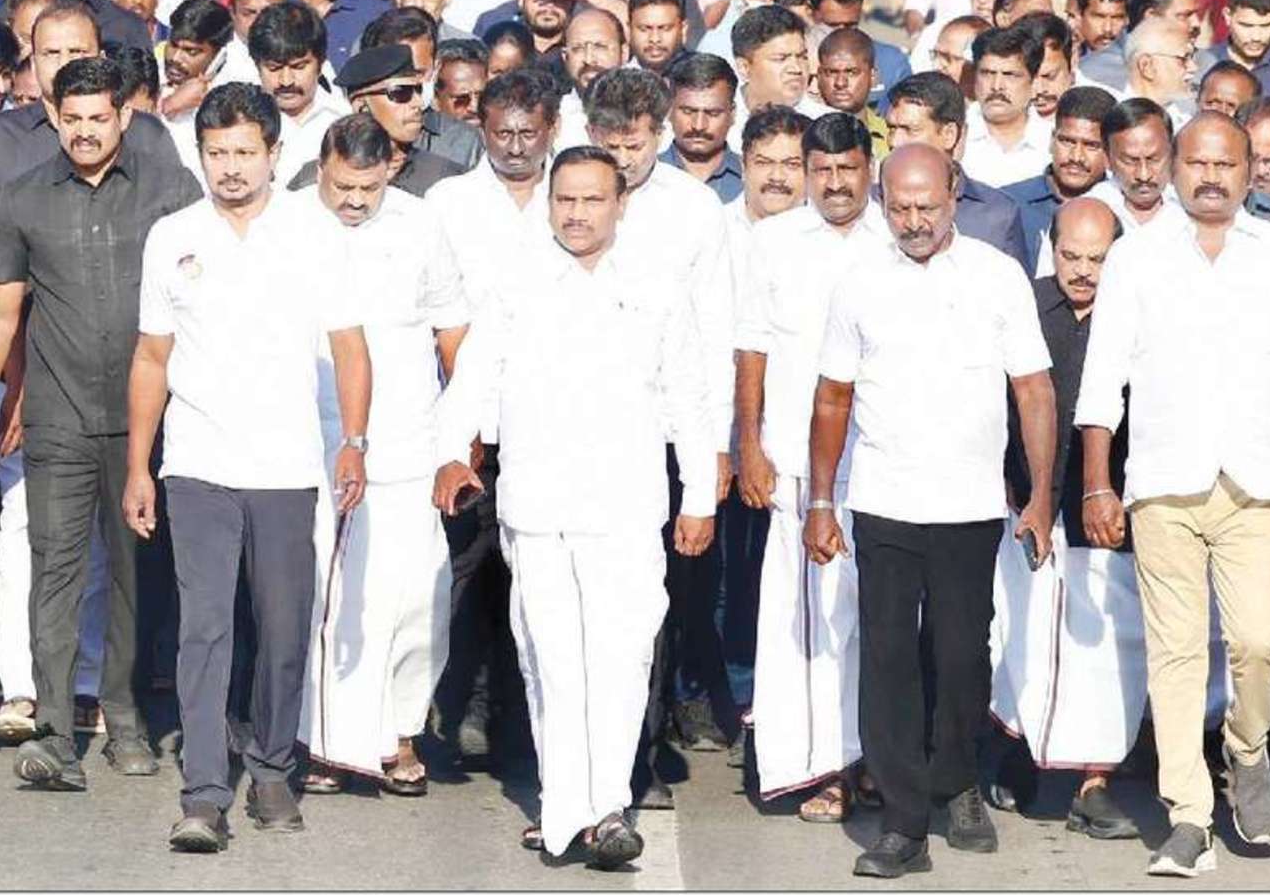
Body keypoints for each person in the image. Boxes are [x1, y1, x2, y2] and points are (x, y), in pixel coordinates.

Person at [432, 147, 727, 871]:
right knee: (553, 662)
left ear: (620, 205)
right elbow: (473, 380)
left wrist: (697, 498)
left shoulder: (656, 285)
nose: (577, 214)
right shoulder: (516, 282)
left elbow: (689, 398)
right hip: (537, 507)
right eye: (565, 200)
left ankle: (607, 807)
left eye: (593, 200)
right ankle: (568, 808)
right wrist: (449, 453)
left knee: (622, 660)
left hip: (627, 506)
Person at [127, 83, 375, 852]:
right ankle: (204, 793)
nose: (230, 167)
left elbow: (350, 346)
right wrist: (139, 465)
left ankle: (271, 766)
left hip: (286, 466)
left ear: (274, 152)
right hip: (197, 462)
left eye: (244, 151)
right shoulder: (172, 235)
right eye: (216, 152)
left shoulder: (314, 231)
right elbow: (152, 356)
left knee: (283, 627)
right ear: (199, 154)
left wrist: (353, 440)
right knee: (203, 628)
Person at [802, 143, 1059, 878]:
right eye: (900, 208)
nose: (914, 222)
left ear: (954, 199)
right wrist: (821, 500)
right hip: (884, 500)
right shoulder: (858, 283)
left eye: (928, 207)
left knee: (960, 656)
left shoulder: (997, 276)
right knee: (886, 659)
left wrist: (1040, 495)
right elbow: (832, 398)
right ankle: (903, 823)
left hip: (970, 506)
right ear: (882, 204)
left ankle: (957, 778)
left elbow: (1034, 390)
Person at [1075, 113, 1270, 876]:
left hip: (1254, 484)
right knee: (1174, 654)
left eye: (1226, 164)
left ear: (1250, 171)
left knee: (1259, 641)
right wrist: (1098, 482)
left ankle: (1246, 748)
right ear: (1174, 169)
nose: (1211, 177)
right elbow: (1103, 378)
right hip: (1162, 484)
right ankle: (1188, 817)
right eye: (1198, 163)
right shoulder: (1136, 257)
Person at [0, 53, 199, 789]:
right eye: (70, 119)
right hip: (58, 416)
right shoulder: (24, 198)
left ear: (124, 115)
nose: (85, 132)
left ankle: (124, 718)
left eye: (99, 117)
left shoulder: (170, 190)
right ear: (53, 116)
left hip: (145, 421)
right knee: (54, 572)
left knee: (134, 574)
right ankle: (55, 733)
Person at [297, 113, 469, 797]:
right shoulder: (289, 224)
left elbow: (453, 332)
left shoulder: (420, 224)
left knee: (416, 593)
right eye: (342, 186)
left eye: (368, 188)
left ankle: (399, 730)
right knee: (329, 595)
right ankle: (326, 743)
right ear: (321, 169)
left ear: (390, 171)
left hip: (408, 440)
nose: (354, 201)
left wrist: (462, 437)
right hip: (310, 438)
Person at [736, 112, 885, 823]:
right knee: (809, 626)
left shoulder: (897, 238)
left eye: (846, 169)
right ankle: (822, 766)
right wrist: (748, 444)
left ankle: (872, 758)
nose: (833, 183)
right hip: (798, 465)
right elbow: (751, 349)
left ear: (868, 169)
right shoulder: (773, 242)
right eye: (819, 170)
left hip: (883, 463)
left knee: (878, 624)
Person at [990, 197, 1150, 842]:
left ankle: (1094, 783)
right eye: (1070, 256)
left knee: (1109, 646)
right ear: (1050, 249)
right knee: (1020, 637)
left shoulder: (1142, 307)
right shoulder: (1023, 305)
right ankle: (1019, 749)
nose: (1083, 271)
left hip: (1111, 505)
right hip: (1027, 500)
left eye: (1097, 259)